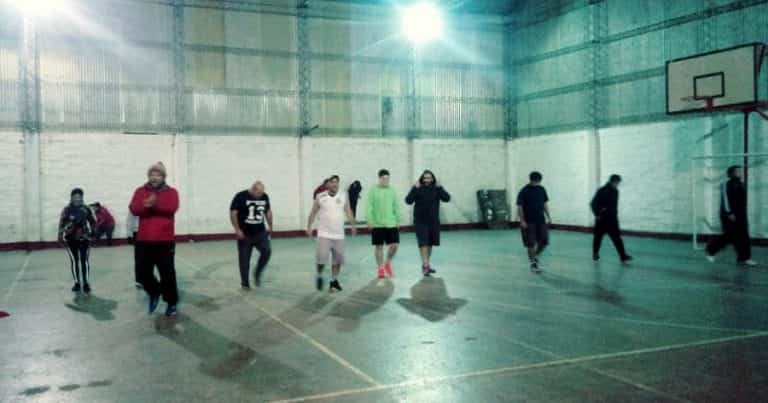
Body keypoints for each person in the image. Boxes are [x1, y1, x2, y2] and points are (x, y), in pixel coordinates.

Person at [129, 162, 180, 317]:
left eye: (157, 174)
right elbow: (134, 208)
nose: (154, 177)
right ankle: (154, 291)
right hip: (143, 240)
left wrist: (153, 204)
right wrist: (147, 206)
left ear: (163, 177)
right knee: (141, 273)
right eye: (151, 174)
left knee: (167, 274)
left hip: (164, 241)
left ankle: (171, 302)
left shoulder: (171, 192)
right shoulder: (140, 191)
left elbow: (171, 207)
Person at [306, 175, 357, 292]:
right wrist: (309, 227)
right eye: (332, 182)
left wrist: (353, 225)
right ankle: (319, 274)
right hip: (324, 234)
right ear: (327, 184)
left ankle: (334, 281)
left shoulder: (344, 196)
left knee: (337, 260)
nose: (334, 184)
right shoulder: (320, 196)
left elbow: (348, 211)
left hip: (339, 235)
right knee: (321, 260)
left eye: (336, 182)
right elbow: (313, 212)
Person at [706, 165, 757, 266]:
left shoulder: (741, 184)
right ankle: (711, 250)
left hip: (741, 215)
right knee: (729, 236)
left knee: (744, 236)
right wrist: (729, 213)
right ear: (731, 174)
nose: (740, 173)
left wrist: (742, 214)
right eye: (737, 171)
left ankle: (744, 258)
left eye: (740, 171)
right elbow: (725, 200)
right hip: (729, 215)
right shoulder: (725, 184)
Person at [405, 170, 450, 276]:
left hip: (433, 221)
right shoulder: (418, 188)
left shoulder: (436, 188)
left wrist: (440, 187)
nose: (427, 180)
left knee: (430, 244)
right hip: (420, 221)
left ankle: (426, 265)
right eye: (425, 178)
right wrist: (414, 188)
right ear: (422, 178)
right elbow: (408, 201)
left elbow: (447, 198)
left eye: (429, 178)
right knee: (423, 243)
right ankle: (425, 265)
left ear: (432, 179)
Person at [230, 181, 273, 289]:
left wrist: (270, 226)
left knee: (267, 251)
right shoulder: (240, 196)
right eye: (258, 193)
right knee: (244, 261)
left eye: (262, 193)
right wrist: (237, 229)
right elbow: (233, 213)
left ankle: (257, 272)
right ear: (253, 189)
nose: (260, 195)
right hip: (245, 234)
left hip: (260, 232)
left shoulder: (264, 196)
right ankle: (245, 284)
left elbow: (268, 211)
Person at [59, 188, 96, 294]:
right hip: (70, 239)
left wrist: (92, 234)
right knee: (74, 261)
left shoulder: (87, 209)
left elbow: (93, 222)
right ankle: (77, 283)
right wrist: (60, 236)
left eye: (79, 197)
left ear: (82, 197)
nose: (77, 199)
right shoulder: (66, 210)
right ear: (71, 198)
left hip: (85, 238)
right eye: (75, 197)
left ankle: (86, 283)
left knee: (84, 260)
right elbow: (62, 223)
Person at [367, 169, 401, 278]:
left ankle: (387, 263)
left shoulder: (392, 190)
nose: (386, 180)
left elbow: (396, 206)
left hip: (391, 223)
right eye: (383, 178)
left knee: (395, 245)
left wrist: (398, 220)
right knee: (379, 247)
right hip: (377, 224)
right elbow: (369, 207)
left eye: (387, 178)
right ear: (379, 178)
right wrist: (370, 221)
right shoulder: (373, 190)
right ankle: (380, 268)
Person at [591, 174, 632, 263]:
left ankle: (623, 256)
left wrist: (614, 216)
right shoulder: (601, 191)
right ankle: (595, 254)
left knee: (617, 239)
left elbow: (613, 206)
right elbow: (593, 204)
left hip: (612, 220)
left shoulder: (616, 191)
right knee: (598, 238)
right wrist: (597, 214)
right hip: (601, 220)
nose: (618, 184)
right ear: (612, 182)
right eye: (617, 183)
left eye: (618, 183)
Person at [516, 171, 551, 273]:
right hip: (529, 221)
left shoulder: (542, 189)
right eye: (535, 181)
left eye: (538, 181)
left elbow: (545, 204)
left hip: (541, 220)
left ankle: (534, 256)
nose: (537, 183)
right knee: (530, 243)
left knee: (544, 241)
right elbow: (520, 207)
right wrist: (522, 220)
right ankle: (533, 264)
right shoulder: (524, 191)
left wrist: (548, 216)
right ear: (531, 180)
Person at [126, 213, 141, 289]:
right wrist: (129, 234)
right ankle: (139, 280)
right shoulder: (135, 206)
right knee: (139, 257)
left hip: (152, 232)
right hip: (137, 232)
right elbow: (130, 219)